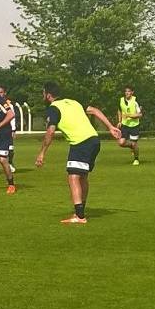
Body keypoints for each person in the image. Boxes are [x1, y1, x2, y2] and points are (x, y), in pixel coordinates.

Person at [35, 81, 121, 224]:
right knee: (82, 176)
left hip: (80, 142)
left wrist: (42, 152)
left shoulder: (53, 108)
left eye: (43, 93)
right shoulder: (73, 102)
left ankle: (79, 216)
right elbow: (94, 110)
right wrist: (110, 127)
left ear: (48, 95)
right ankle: (80, 211)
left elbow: (50, 131)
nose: (42, 95)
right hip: (94, 140)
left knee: (73, 177)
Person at [0, 85, 18, 176]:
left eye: (1, 92)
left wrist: (13, 130)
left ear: (5, 93)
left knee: (10, 148)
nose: (0, 94)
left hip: (6, 130)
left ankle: (10, 163)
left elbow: (12, 117)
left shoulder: (8, 104)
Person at [117, 85, 142, 165]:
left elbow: (139, 115)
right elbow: (119, 110)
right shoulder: (121, 100)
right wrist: (120, 121)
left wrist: (129, 115)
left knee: (135, 144)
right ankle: (131, 145)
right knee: (121, 143)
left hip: (134, 125)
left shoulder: (135, 101)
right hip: (125, 125)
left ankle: (136, 159)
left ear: (132, 92)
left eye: (128, 91)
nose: (127, 93)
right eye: (126, 91)